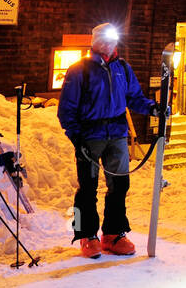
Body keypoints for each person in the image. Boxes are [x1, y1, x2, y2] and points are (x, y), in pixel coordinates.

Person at [58, 23, 160, 258]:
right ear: (94, 42)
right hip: (90, 136)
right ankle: (86, 234)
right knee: (87, 188)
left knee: (119, 186)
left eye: (111, 40)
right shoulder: (79, 70)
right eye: (102, 40)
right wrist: (76, 137)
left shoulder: (122, 68)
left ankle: (114, 234)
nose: (107, 44)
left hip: (116, 135)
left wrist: (153, 108)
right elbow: (66, 110)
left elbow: (134, 98)